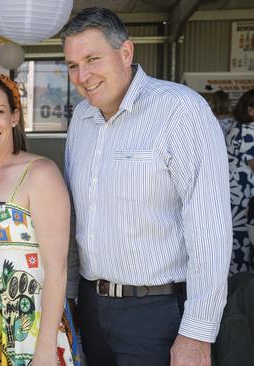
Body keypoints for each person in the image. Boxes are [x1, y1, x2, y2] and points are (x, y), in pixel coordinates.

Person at [62, 7, 231, 366]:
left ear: (126, 53)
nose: (83, 75)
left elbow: (210, 229)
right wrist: (71, 297)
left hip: (156, 313)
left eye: (92, 59)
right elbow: (75, 216)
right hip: (91, 307)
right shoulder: (81, 118)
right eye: (73, 65)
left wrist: (198, 332)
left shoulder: (180, 111)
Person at [0, 71, 78, 366]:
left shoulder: (40, 172)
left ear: (14, 116)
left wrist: (46, 347)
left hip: (29, 320)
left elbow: (56, 268)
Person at [226, 90, 254, 274]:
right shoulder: (247, 131)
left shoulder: (236, 127)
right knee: (243, 248)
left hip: (237, 201)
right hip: (244, 202)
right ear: (251, 110)